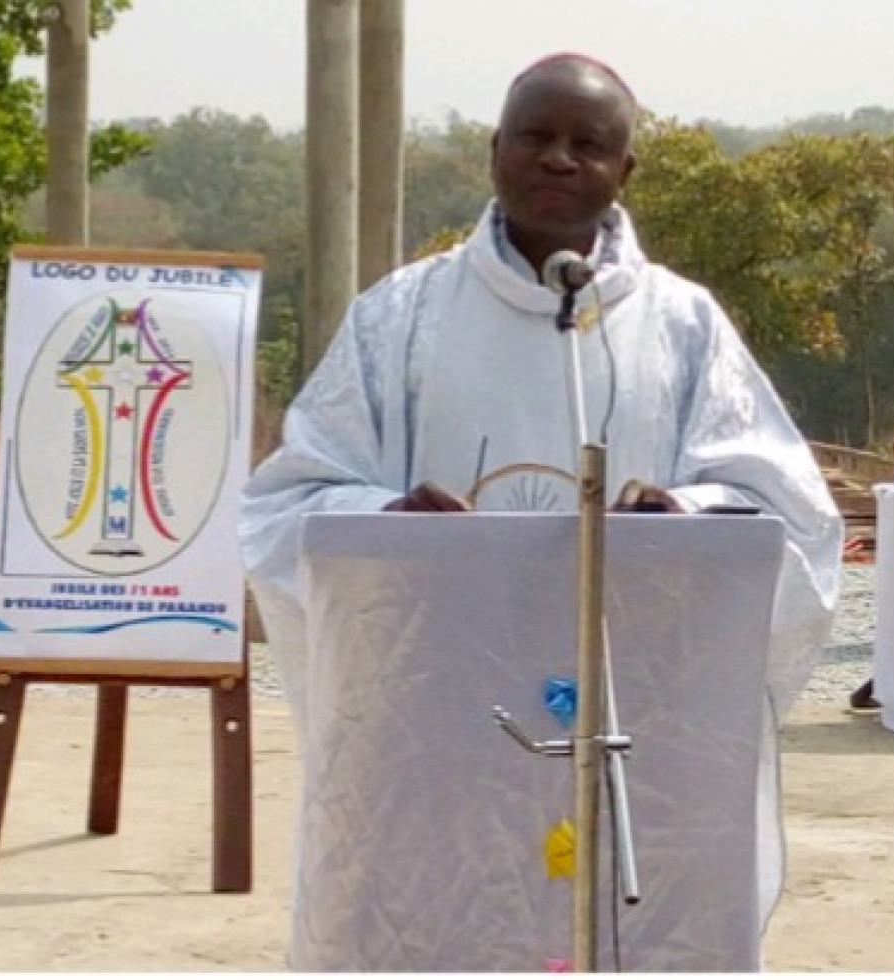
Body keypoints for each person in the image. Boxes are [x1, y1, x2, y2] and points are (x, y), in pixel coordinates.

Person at [239, 52, 843, 963]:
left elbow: (788, 516)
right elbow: (289, 502)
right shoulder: (400, 319)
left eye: (588, 144)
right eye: (537, 135)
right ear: (494, 152)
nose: (559, 159)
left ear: (625, 171)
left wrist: (689, 512)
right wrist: (385, 515)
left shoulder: (683, 327)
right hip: (443, 714)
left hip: (637, 701)